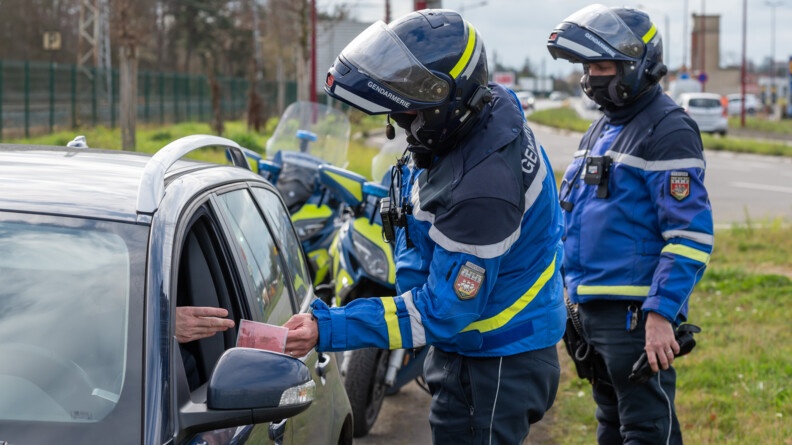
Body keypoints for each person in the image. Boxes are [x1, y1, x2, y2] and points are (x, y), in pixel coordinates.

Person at [284, 9, 566, 444]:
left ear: (445, 100)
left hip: (493, 362)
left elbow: (442, 311)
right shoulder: (484, 114)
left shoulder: (483, 189)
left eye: (409, 108)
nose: (400, 119)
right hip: (484, 345)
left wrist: (329, 327)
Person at [547, 5, 714, 444]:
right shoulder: (600, 129)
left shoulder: (668, 128)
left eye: (602, 66)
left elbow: (690, 235)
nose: (591, 77)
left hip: (635, 316)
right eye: (587, 67)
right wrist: (568, 301)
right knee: (611, 425)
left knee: (646, 429)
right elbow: (571, 219)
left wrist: (661, 314)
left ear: (636, 64)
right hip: (589, 313)